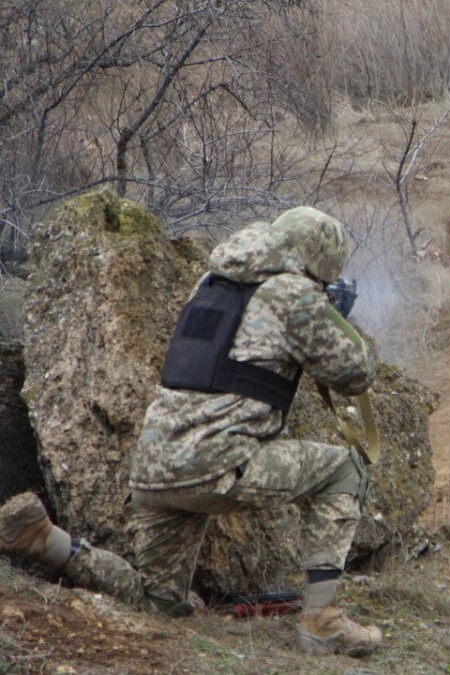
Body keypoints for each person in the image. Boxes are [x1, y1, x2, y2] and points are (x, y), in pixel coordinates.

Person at [0, 206, 380, 656]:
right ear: (321, 260)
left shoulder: (211, 284)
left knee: (159, 604)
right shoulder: (292, 293)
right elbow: (355, 375)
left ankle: (47, 541)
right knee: (346, 471)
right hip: (218, 465)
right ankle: (324, 621)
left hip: (154, 469)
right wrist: (338, 316)